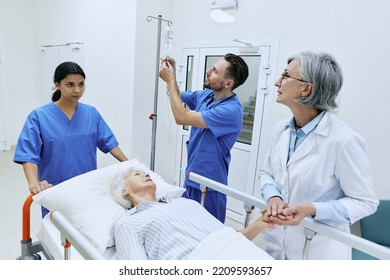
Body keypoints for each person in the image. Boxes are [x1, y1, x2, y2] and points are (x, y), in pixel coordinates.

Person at [259, 51, 379, 260]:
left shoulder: (344, 140)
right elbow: (266, 172)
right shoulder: (281, 129)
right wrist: (273, 195)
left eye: (286, 76)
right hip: (277, 244)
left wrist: (313, 209)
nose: (277, 82)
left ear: (306, 88)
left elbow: (365, 202)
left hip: (319, 251)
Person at [14, 61, 128, 218]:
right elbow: (28, 154)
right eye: (70, 85)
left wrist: (129, 165)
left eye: (81, 84)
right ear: (57, 84)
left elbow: (109, 142)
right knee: (58, 231)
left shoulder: (91, 113)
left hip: (87, 186)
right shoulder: (39, 116)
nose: (77, 90)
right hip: (55, 188)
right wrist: (34, 183)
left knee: (85, 229)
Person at [159, 53, 249, 223]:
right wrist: (172, 75)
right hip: (191, 178)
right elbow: (175, 94)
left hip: (210, 186)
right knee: (187, 229)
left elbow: (182, 117)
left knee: (209, 237)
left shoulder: (231, 111)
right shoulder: (206, 96)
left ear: (228, 83)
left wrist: (170, 80)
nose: (208, 71)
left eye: (215, 71)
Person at [112, 167, 275, 260]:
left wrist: (259, 224)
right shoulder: (129, 223)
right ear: (124, 189)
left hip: (242, 250)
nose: (146, 174)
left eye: (145, 172)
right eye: (137, 174)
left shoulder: (183, 201)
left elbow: (225, 237)